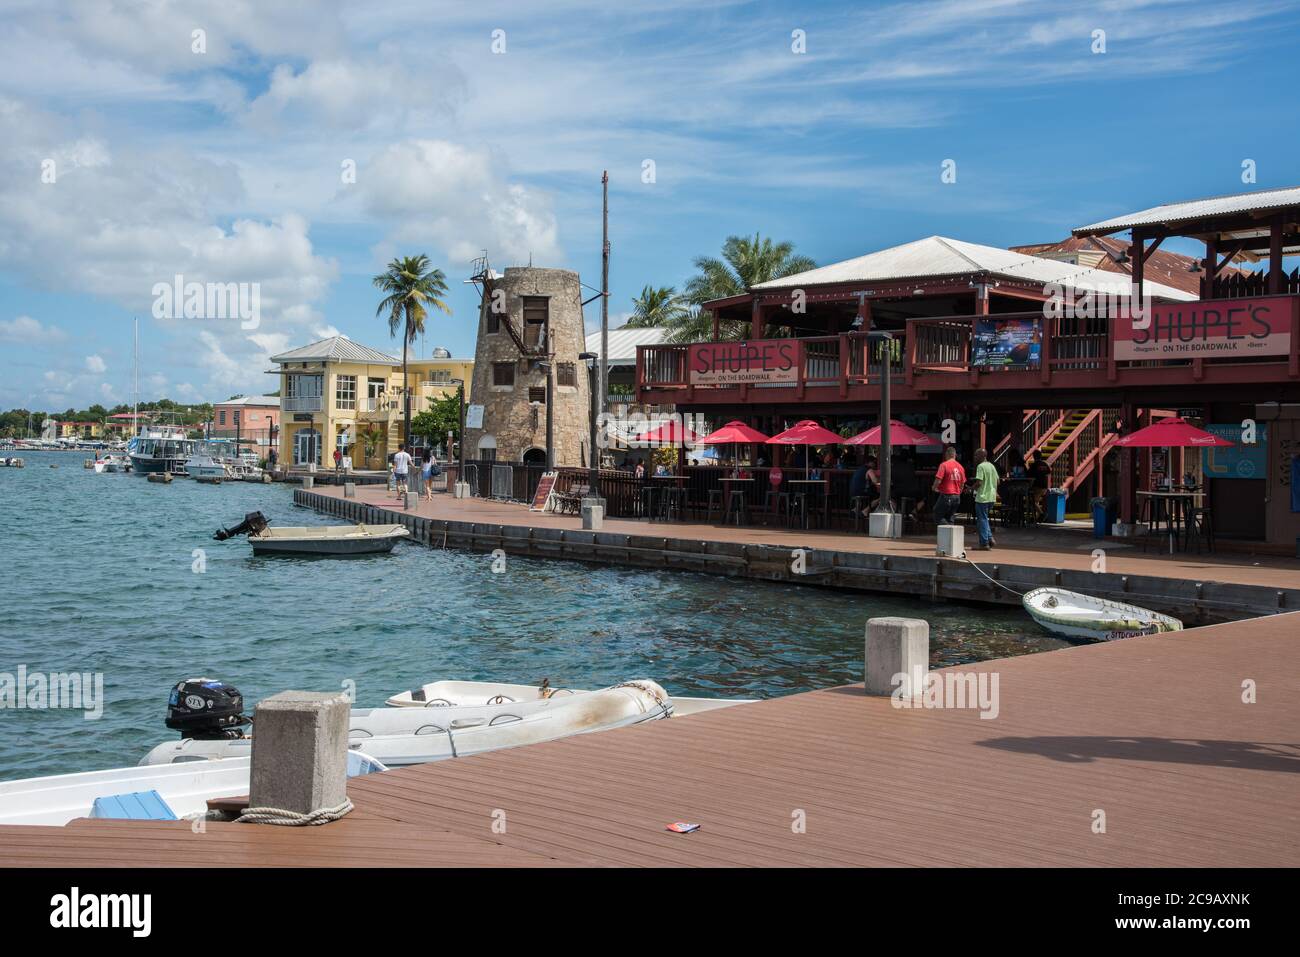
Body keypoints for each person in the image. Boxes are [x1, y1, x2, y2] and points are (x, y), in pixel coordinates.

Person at [931, 446, 966, 525]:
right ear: (955, 455)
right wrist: (959, 492)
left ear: (947, 454)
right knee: (950, 517)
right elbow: (962, 483)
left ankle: (947, 530)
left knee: (937, 515)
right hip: (957, 496)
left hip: (946, 495)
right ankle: (951, 534)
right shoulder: (961, 467)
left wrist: (934, 487)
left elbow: (938, 480)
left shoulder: (944, 465)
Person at [971, 448, 999, 549]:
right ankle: (990, 538)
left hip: (982, 497)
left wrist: (971, 488)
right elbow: (998, 481)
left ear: (982, 456)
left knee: (981, 520)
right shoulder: (991, 466)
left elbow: (979, 482)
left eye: (976, 455)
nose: (975, 458)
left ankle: (984, 543)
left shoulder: (980, 466)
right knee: (984, 518)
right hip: (991, 497)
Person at [1027, 449, 1051, 520]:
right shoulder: (1045, 464)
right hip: (1044, 487)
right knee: (1036, 502)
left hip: (1037, 486)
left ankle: (1041, 514)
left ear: (1034, 457)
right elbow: (1048, 472)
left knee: (1032, 502)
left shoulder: (1034, 465)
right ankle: (1035, 518)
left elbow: (1028, 474)